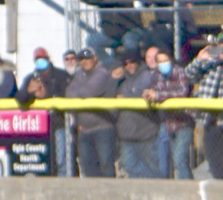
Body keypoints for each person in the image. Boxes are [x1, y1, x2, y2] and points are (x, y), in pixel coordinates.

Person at [185, 36, 223, 180]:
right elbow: (189, 75)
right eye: (220, 45)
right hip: (209, 119)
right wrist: (199, 59)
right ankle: (219, 187)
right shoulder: (210, 64)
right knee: (213, 160)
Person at [16, 47, 71, 174]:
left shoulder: (60, 75)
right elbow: (20, 99)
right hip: (39, 128)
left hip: (58, 124)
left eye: (43, 59)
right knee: (43, 161)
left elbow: (66, 95)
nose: (40, 62)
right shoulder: (31, 78)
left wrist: (46, 94)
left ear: (48, 59)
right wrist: (29, 91)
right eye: (37, 60)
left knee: (62, 161)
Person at [64, 48, 117, 178]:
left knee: (105, 165)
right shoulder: (79, 75)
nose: (84, 62)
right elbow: (68, 93)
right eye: (81, 59)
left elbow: (88, 92)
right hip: (84, 129)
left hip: (102, 127)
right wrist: (79, 94)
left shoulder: (102, 73)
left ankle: (111, 195)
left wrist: (79, 93)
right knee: (88, 167)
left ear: (95, 59)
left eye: (87, 59)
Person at [145, 49, 193, 179]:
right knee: (170, 161)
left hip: (183, 122)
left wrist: (158, 95)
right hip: (167, 122)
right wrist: (148, 94)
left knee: (179, 159)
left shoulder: (179, 72)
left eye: (165, 60)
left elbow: (182, 93)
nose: (163, 64)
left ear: (171, 60)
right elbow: (153, 90)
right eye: (160, 61)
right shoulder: (156, 75)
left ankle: (189, 189)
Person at [78, 0, 144, 62]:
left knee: (130, 43)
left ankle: (134, 66)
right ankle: (112, 67)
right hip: (110, 35)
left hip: (128, 31)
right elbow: (92, 0)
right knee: (91, 40)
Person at [114, 50, 159, 178]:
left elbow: (143, 94)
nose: (129, 66)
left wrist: (125, 97)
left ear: (138, 62)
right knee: (129, 165)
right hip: (127, 134)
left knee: (153, 167)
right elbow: (111, 94)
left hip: (146, 133)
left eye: (132, 62)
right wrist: (113, 79)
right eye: (126, 64)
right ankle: (147, 187)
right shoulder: (122, 81)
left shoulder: (147, 76)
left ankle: (157, 188)